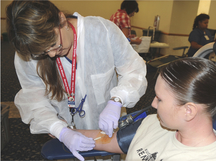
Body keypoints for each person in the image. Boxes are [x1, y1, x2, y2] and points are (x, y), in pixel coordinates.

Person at [6, 0, 147, 160]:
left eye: (53, 45)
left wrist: (117, 99)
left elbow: (134, 70)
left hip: (107, 132)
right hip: (67, 139)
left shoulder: (101, 31)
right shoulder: (28, 52)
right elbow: (34, 102)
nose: (51, 54)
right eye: (43, 52)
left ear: (61, 20)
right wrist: (61, 131)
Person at [76, 57, 216, 160]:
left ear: (189, 110)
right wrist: (64, 131)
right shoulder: (156, 123)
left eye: (160, 99)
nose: (153, 104)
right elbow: (109, 140)